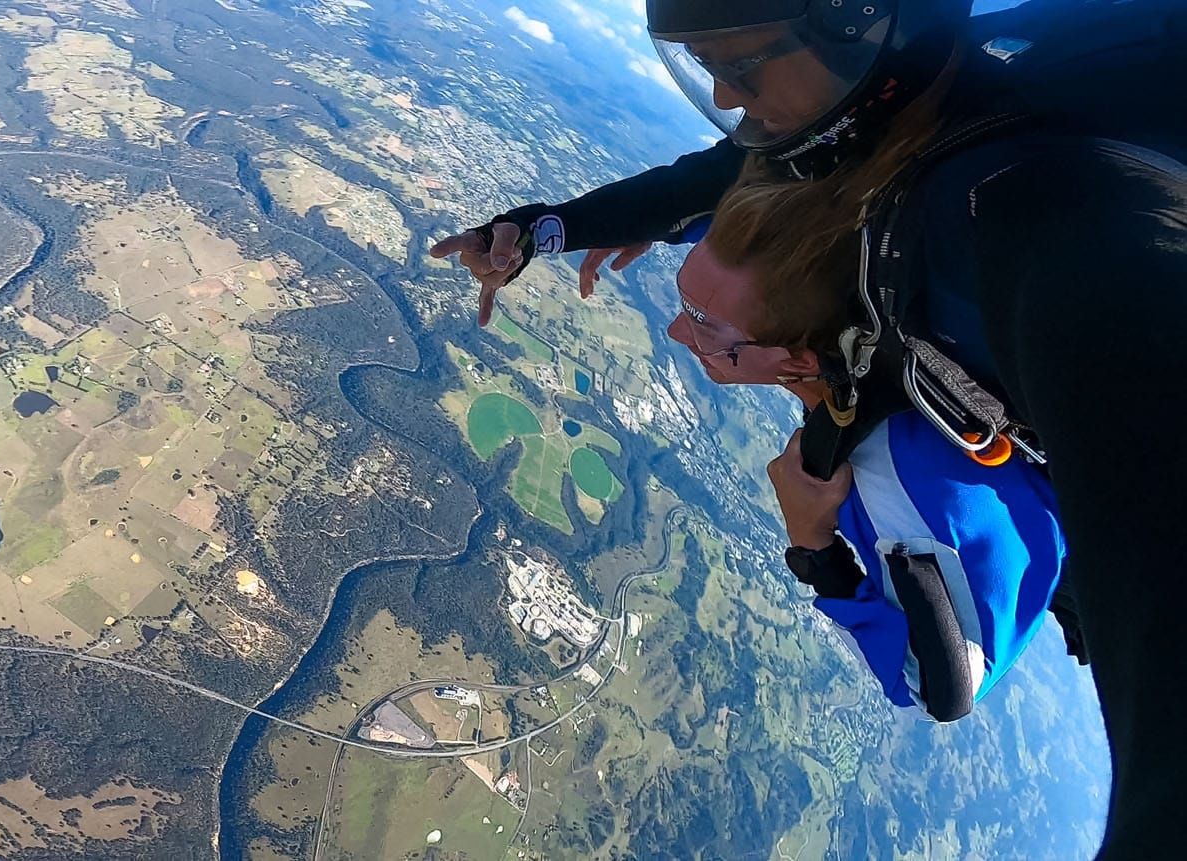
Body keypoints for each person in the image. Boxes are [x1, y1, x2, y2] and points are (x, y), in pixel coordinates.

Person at [429, 0, 1187, 854]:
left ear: (858, 29)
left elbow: (942, 683)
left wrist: (815, 546)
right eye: (704, 62)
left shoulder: (1044, 230)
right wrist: (541, 230)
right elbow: (712, 184)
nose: (722, 92)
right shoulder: (876, 130)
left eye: (743, 64)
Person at [669, 209, 1067, 722]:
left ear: (799, 362)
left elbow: (939, 694)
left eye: (705, 329)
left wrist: (814, 549)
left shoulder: (898, 481)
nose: (679, 332)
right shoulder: (858, 308)